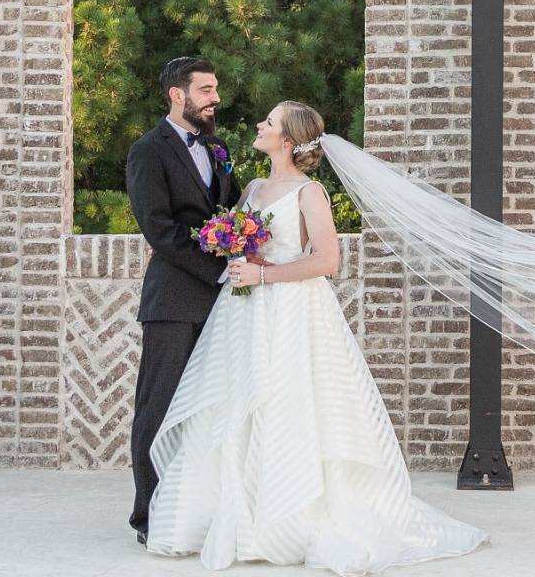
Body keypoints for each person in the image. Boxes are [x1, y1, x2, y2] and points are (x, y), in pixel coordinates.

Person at [146, 100, 487, 574]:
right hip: (243, 315)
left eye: (269, 122)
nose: (260, 125)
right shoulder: (253, 187)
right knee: (237, 403)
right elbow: (249, 245)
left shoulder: (310, 194)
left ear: (287, 141)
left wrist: (266, 277)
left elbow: (327, 261)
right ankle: (235, 512)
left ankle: (289, 514)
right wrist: (242, 258)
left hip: (292, 311)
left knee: (290, 403)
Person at [127, 56, 242, 547]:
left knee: (208, 409)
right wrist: (220, 269)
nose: (215, 97)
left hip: (225, 302)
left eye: (216, 88)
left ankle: (197, 509)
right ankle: (148, 516)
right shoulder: (148, 152)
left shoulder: (217, 147)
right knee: (158, 408)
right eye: (207, 89)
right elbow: (160, 231)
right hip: (174, 300)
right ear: (178, 94)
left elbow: (231, 209)